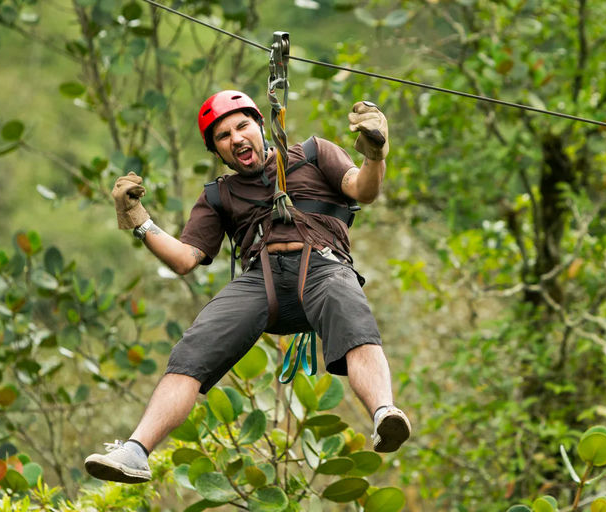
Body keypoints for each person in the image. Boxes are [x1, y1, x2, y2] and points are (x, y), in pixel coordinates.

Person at [84, 90, 411, 484]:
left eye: (242, 126)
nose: (236, 138)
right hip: (261, 281)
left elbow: (364, 190)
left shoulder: (313, 154)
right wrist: (140, 221)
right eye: (223, 136)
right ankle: (135, 451)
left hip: (323, 267)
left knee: (352, 314)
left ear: (261, 125)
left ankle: (383, 414)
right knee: (192, 349)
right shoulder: (219, 195)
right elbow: (185, 259)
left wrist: (374, 153)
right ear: (217, 151)